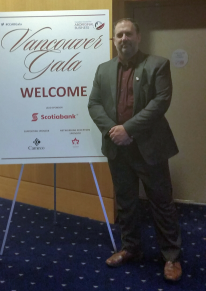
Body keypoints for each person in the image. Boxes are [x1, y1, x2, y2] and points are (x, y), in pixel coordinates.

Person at [88, 18, 182, 282]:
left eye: (128, 33)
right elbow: (94, 104)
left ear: (138, 37)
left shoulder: (157, 65)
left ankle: (172, 257)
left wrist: (128, 129)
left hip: (150, 148)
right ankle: (131, 248)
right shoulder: (103, 69)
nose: (123, 39)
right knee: (126, 202)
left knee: (161, 204)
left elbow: (160, 102)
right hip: (118, 149)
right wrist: (113, 131)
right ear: (114, 39)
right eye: (119, 35)